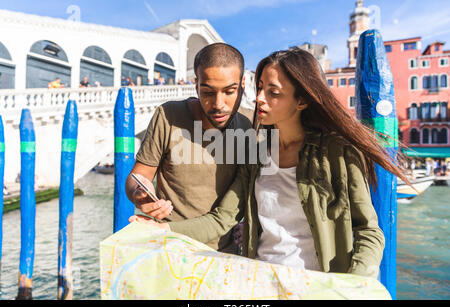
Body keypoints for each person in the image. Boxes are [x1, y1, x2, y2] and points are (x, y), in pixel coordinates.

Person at [133, 48, 411, 278]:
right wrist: (163, 229)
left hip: (317, 286)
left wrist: (355, 285)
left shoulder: (338, 151)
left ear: (301, 100)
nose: (260, 99)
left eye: (273, 93)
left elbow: (368, 231)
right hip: (258, 283)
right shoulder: (256, 152)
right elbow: (223, 218)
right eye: (261, 88)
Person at [126, 43, 252, 253]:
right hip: (170, 248)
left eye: (230, 91)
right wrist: (139, 194)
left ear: (243, 84)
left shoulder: (250, 124)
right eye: (208, 92)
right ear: (196, 86)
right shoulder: (168, 116)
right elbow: (138, 175)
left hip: (224, 253)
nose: (219, 104)